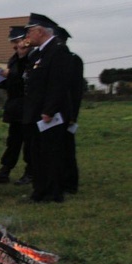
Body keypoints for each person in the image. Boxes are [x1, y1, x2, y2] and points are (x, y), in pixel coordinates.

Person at [22, 13, 73, 203]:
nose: (28, 35)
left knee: (50, 154)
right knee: (36, 154)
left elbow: (58, 84)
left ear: (40, 31)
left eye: (30, 31)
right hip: (34, 112)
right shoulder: (38, 53)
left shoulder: (58, 50)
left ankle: (53, 192)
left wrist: (49, 110)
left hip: (49, 114)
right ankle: (40, 190)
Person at [0, 27, 33, 185]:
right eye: (13, 42)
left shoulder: (32, 57)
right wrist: (0, 80)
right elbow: (13, 83)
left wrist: (11, 74)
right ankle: (4, 171)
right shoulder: (14, 58)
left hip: (28, 106)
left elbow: (26, 79)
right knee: (13, 141)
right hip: (14, 106)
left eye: (16, 41)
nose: (15, 45)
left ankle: (30, 172)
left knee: (29, 142)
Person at [57, 26, 83, 194]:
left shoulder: (72, 60)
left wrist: (73, 115)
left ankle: (70, 183)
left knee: (67, 150)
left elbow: (74, 90)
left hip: (66, 112)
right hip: (54, 112)